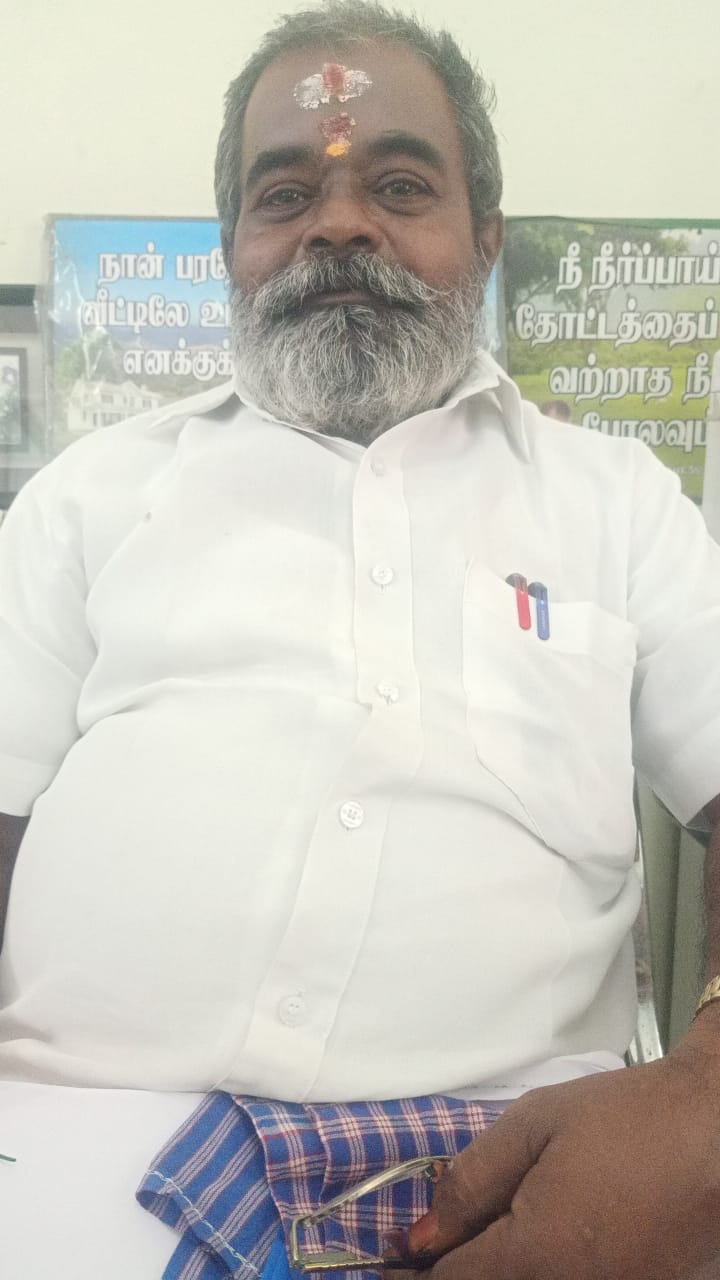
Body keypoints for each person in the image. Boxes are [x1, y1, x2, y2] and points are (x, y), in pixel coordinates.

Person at [1, 3, 720, 1278]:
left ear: (486, 237)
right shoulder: (87, 498)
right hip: (76, 1147)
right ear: (233, 249)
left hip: (526, 1173)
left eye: (399, 185)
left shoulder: (617, 503)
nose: (338, 224)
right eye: (285, 194)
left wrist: (707, 1093)